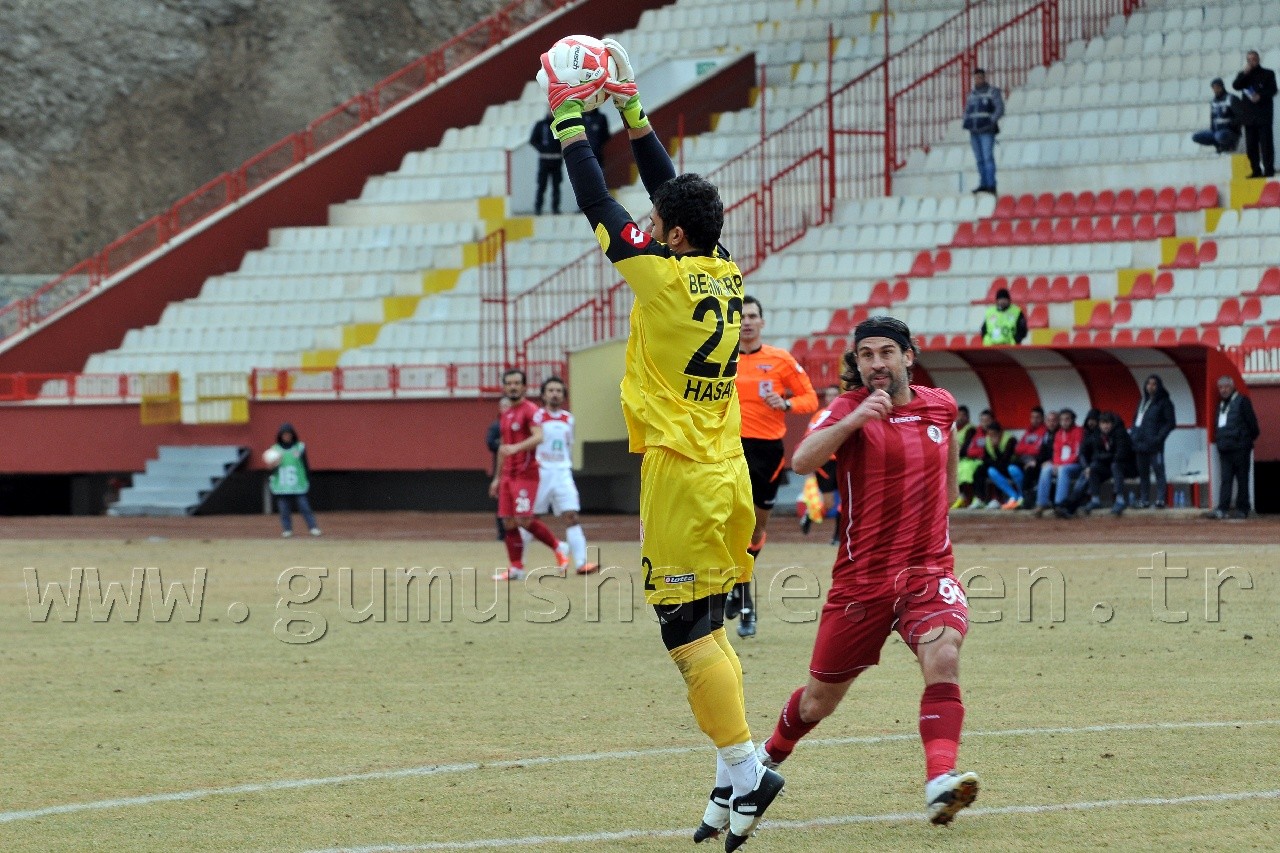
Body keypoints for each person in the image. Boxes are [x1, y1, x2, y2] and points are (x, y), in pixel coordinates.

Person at [540, 37, 782, 849]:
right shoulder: (726, 271)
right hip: (725, 470)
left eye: (656, 225)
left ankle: (748, 766)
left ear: (673, 237)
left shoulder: (665, 278)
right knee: (708, 622)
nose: (645, 225)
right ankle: (730, 779)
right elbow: (665, 191)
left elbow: (595, 201)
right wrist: (632, 111)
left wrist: (570, 119)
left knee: (682, 628)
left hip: (682, 474)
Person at [757, 315, 979, 827]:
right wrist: (854, 420)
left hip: (928, 571)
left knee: (944, 655)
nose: (876, 363)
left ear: (908, 356)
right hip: (863, 581)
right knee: (817, 703)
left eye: (886, 352)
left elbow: (949, 476)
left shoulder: (940, 405)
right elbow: (802, 461)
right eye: (866, 355)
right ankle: (764, 759)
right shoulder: (846, 408)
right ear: (856, 363)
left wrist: (935, 516)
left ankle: (940, 782)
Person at [727, 295, 818, 638]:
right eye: (741, 317)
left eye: (752, 316)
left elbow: (809, 399)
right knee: (728, 524)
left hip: (767, 451)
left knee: (755, 529)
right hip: (728, 449)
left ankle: (737, 586)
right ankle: (744, 600)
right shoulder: (721, 359)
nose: (746, 322)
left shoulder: (780, 359)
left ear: (762, 322)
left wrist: (786, 403)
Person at [490, 368, 570, 580]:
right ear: (504, 387)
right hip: (508, 475)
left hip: (526, 474)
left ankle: (558, 546)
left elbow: (539, 436)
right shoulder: (505, 413)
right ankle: (516, 568)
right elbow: (503, 447)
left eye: (517, 383)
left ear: (524, 387)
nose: (513, 387)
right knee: (507, 521)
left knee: (524, 519)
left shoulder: (530, 410)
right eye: (509, 383)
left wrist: (516, 449)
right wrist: (497, 477)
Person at [520, 376, 600, 575]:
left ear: (563, 395)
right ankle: (518, 564)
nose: (554, 394)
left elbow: (569, 445)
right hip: (540, 473)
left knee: (571, 516)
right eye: (550, 390)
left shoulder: (568, 419)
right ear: (543, 395)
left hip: (562, 473)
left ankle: (581, 563)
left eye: (558, 391)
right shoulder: (537, 417)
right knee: (529, 518)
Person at [1058, 411, 1134, 517]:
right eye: (1103, 423)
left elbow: (1119, 456)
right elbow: (1088, 453)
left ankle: (1119, 500)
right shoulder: (1097, 435)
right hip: (1107, 467)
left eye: (1108, 423)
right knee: (1091, 470)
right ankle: (1089, 501)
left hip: (1126, 468)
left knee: (1115, 465)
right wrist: (1087, 467)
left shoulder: (1120, 433)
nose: (1105, 426)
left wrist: (1101, 457)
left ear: (1112, 424)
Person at [1207, 376, 1260, 519]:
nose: (1223, 390)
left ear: (1232, 387)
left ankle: (1243, 509)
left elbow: (1253, 426)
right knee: (1225, 480)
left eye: (1226, 387)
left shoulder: (1242, 401)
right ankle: (1222, 508)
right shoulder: (1221, 405)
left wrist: (1244, 441)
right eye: (1220, 387)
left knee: (1242, 479)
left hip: (1240, 448)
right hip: (1225, 448)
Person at [799, 384, 842, 541]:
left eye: (834, 395)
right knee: (829, 503)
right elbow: (809, 439)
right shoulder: (819, 416)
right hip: (825, 463)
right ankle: (810, 515)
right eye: (829, 395)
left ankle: (838, 536)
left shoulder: (847, 412)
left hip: (844, 461)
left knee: (846, 500)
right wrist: (810, 464)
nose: (831, 398)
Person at [266, 423, 321, 537]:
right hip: (282, 485)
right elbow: (271, 469)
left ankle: (313, 527)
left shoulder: (299, 448)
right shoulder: (275, 450)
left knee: (304, 507)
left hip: (297, 483)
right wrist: (274, 464)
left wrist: (308, 478)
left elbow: (305, 465)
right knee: (284, 509)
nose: (286, 437)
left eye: (288, 434)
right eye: (284, 435)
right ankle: (287, 529)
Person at [1130, 375, 1175, 508]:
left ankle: (1160, 499)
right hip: (1139, 444)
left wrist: (1158, 438)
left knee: (1159, 472)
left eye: (1154, 384)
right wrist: (1134, 435)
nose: (1151, 386)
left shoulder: (1164, 402)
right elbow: (1135, 420)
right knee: (1143, 474)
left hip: (1155, 445)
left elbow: (1170, 423)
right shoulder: (1142, 401)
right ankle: (1144, 500)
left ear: (1159, 386)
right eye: (1148, 384)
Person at [1232, 51, 1277, 178]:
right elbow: (1236, 86)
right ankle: (1256, 170)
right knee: (1251, 146)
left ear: (1258, 59)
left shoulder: (1268, 73)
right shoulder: (1243, 75)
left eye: (1254, 58)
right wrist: (1245, 73)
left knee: (1266, 144)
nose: (1252, 61)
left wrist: (1260, 96)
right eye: (1250, 59)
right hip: (1249, 116)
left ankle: (1269, 170)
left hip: (1263, 115)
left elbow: (1273, 90)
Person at [962, 68, 1004, 195]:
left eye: (980, 77)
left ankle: (991, 185)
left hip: (986, 131)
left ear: (984, 78)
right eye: (976, 78)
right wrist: (967, 121)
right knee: (979, 159)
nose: (978, 80)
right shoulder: (972, 94)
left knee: (987, 158)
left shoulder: (992, 92)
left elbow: (1000, 109)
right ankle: (983, 184)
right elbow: (967, 110)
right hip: (974, 132)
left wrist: (990, 121)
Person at [1034, 407, 1083, 516]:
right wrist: (1056, 464)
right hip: (1060, 464)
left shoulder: (1078, 431)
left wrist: (1060, 465)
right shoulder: (1059, 433)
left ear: (1072, 420)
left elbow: (1077, 453)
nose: (1064, 422)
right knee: (1046, 469)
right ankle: (1041, 504)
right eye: (1062, 420)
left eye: (1067, 419)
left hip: (1076, 465)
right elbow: (1056, 452)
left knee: (1063, 470)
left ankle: (1060, 504)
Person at [1001, 406, 1049, 509]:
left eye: (1037, 417)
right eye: (1032, 417)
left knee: (1029, 470)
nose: (1035, 420)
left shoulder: (1045, 431)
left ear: (1042, 418)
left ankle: (1027, 499)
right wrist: (1029, 449)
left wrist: (1027, 449)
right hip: (1025, 460)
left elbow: (1038, 450)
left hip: (1038, 461)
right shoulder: (1028, 431)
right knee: (1010, 467)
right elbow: (1018, 449)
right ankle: (1019, 496)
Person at [975, 421, 1021, 510]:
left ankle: (1019, 496)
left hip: (1010, 466)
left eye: (994, 434)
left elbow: (1005, 459)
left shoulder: (1010, 439)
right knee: (986, 471)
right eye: (990, 434)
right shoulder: (988, 440)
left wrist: (996, 448)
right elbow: (985, 458)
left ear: (1000, 433)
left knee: (1011, 469)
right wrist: (993, 462)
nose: (992, 437)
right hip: (997, 466)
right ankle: (1012, 496)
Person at [486, 397, 513, 540]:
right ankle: (502, 533)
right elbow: (490, 443)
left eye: (509, 405)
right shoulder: (496, 426)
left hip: (517, 467)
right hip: (501, 467)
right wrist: (503, 445)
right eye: (504, 406)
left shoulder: (519, 424)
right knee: (501, 501)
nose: (507, 408)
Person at [1191, 78, 1242, 153]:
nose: (1216, 90)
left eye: (1218, 87)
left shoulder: (1231, 98)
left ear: (1222, 87)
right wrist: (1212, 128)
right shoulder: (1214, 101)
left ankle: (1229, 145)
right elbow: (1213, 117)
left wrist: (1232, 124)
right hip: (1216, 131)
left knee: (1220, 136)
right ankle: (1218, 146)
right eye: (1214, 88)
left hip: (1230, 131)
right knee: (1196, 137)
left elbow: (1241, 116)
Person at [529, 112, 563, 214]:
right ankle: (538, 208)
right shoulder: (541, 124)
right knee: (541, 185)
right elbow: (532, 140)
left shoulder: (560, 125)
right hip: (544, 159)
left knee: (556, 185)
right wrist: (542, 149)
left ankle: (555, 208)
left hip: (557, 159)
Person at [583, 108, 611, 173]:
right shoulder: (580, 119)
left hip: (598, 157)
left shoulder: (601, 117)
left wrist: (598, 147)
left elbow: (606, 136)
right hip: (584, 158)